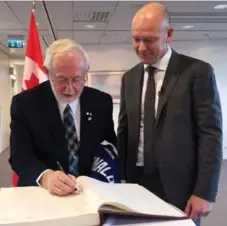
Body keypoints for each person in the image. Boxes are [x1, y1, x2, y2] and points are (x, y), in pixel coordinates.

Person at [117, 2, 222, 225]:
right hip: (136, 185)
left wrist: (205, 191)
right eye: (136, 39)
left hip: (180, 186)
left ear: (169, 34)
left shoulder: (197, 73)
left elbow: (210, 135)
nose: (142, 47)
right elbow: (124, 131)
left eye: (149, 40)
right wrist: (121, 180)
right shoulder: (130, 78)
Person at [9, 39, 117, 196]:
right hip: (41, 193)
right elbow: (19, 155)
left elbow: (108, 145)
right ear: (47, 72)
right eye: (61, 79)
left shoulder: (101, 102)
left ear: (86, 72)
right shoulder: (25, 103)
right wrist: (46, 177)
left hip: (88, 193)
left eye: (77, 79)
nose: (70, 88)